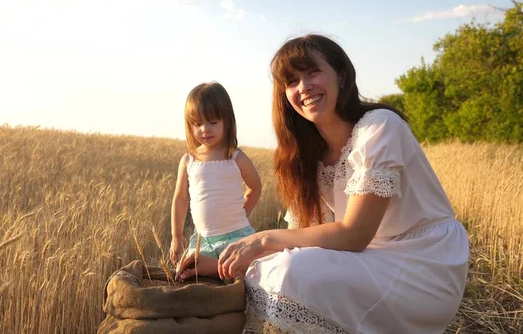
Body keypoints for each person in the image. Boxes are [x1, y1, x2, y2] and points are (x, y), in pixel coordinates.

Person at [178, 35, 469, 333]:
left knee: (293, 272)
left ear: (341, 75)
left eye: (312, 72)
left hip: (423, 264)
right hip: (369, 260)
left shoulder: (380, 126)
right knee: (278, 269)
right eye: (291, 81)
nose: (303, 87)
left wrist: (262, 239)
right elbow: (301, 240)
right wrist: (219, 264)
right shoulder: (306, 158)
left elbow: (354, 235)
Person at [169, 82, 262, 269]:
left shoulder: (235, 157)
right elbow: (180, 199)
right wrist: (176, 237)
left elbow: (255, 186)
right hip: (203, 241)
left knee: (242, 280)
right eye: (198, 123)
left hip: (238, 236)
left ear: (226, 122)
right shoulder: (189, 160)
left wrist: (243, 212)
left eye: (213, 122)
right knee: (190, 276)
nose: (205, 129)